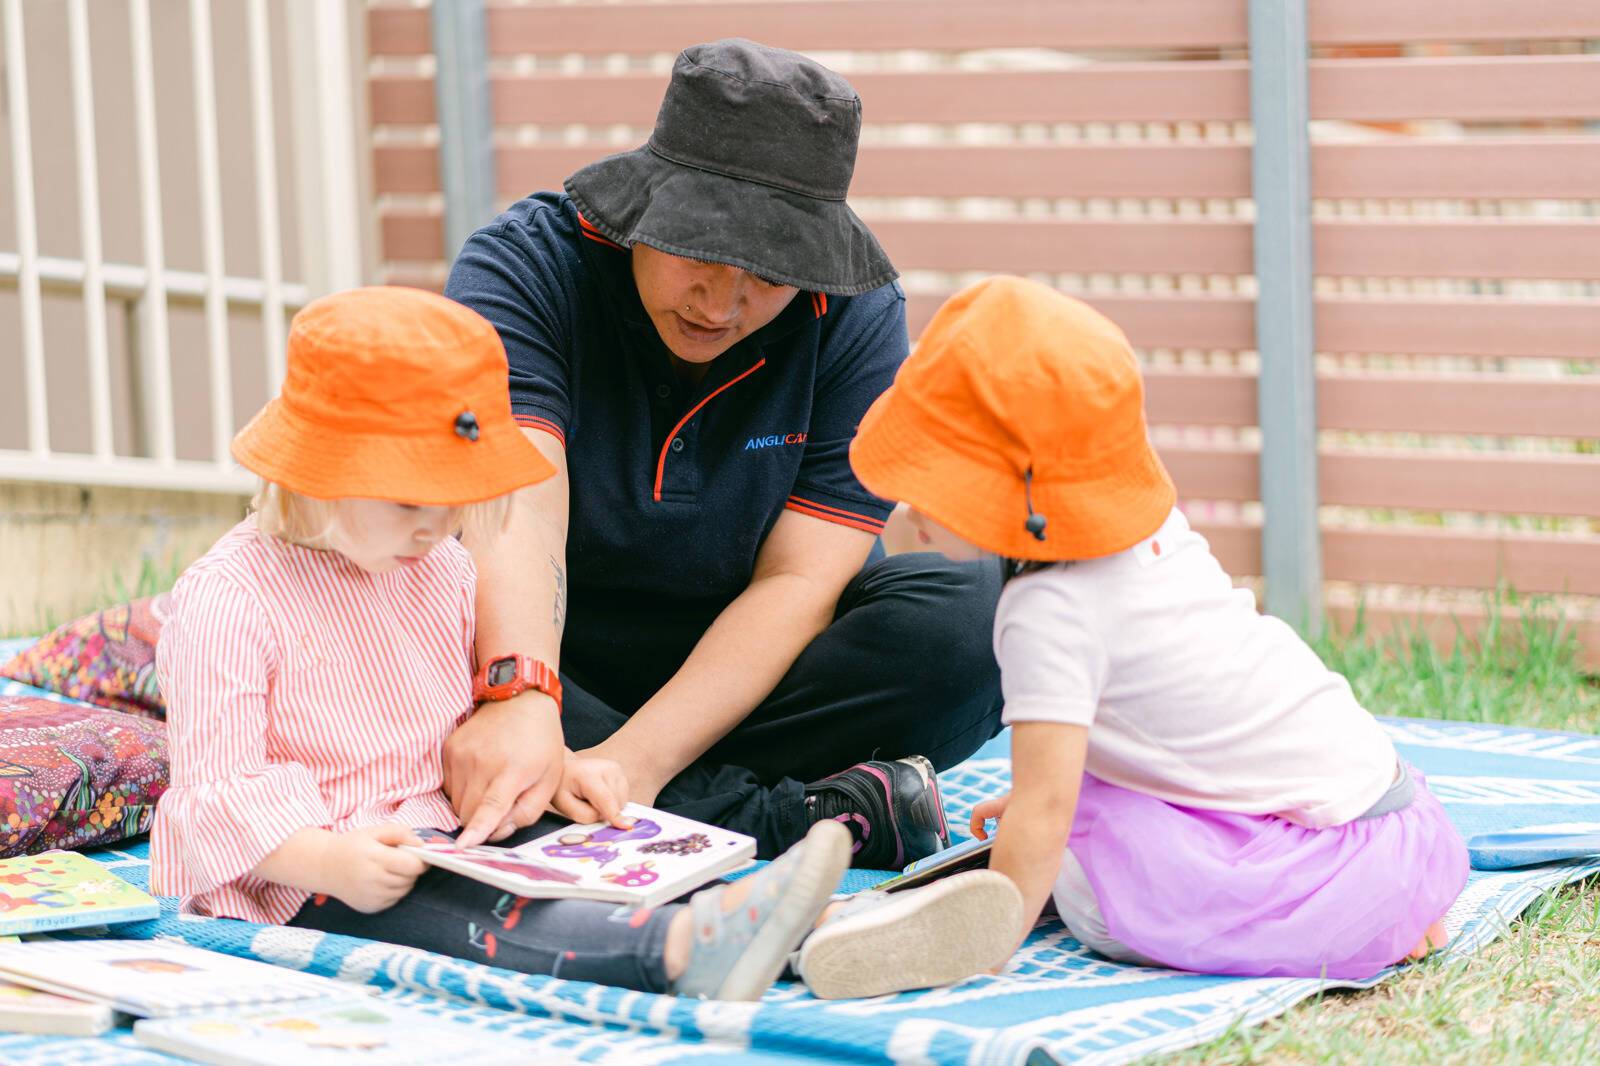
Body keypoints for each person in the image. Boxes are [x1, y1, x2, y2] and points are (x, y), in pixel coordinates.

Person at [147, 286, 857, 1001]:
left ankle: (815, 931)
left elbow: (471, 726)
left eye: (456, 501)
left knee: (574, 866)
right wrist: (329, 862)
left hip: (447, 830)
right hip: (305, 871)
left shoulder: (440, 568)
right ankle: (679, 951)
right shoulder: (229, 598)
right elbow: (216, 793)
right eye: (409, 503)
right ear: (317, 472)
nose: (436, 527)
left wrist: (557, 770)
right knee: (489, 916)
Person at [798, 276, 1469, 994]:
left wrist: (996, 933)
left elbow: (1047, 810)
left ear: (1016, 494)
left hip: (1325, 873)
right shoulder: (1149, 537)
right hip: (1401, 831)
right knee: (1090, 810)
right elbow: (1153, 718)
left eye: (936, 477)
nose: (909, 502)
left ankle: (1354, 927)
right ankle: (1390, 920)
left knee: (1093, 891)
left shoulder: (1047, 612)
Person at [440, 38, 1004, 868]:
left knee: (981, 624)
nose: (723, 302)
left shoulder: (855, 314)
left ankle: (594, 795)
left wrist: (638, 763)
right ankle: (794, 819)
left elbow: (803, 579)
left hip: (744, 666)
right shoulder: (527, 264)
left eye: (769, 276)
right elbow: (516, 506)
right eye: (698, 254)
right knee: (397, 634)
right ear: (644, 208)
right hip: (538, 639)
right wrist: (522, 693)